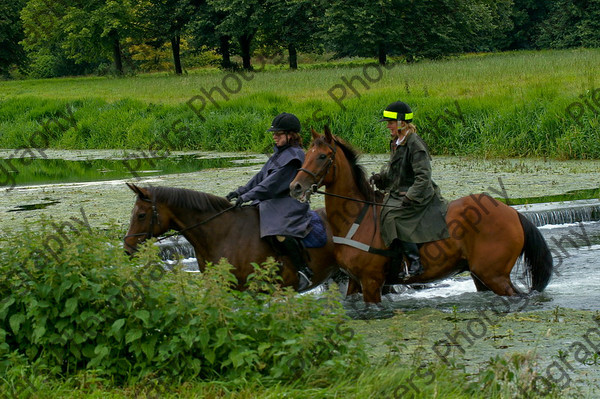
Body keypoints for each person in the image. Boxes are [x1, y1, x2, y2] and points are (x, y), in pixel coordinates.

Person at [225, 112, 314, 291]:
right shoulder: (279, 154)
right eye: (274, 133)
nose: (274, 136)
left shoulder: (294, 157)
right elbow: (260, 178)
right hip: (273, 201)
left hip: (288, 203)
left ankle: (303, 270)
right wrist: (240, 191)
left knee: (279, 233)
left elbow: (271, 185)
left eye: (279, 134)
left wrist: (247, 197)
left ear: (291, 136)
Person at [371, 101, 449, 280]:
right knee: (381, 211)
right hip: (400, 192)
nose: (388, 126)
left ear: (401, 123)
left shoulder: (415, 144)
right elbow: (394, 173)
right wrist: (380, 179)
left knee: (393, 217)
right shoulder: (396, 142)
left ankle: (415, 262)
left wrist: (411, 196)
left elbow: (423, 177)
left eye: (390, 122)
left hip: (420, 194)